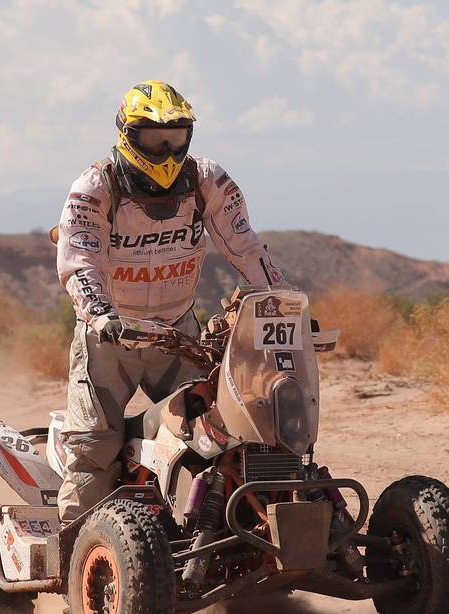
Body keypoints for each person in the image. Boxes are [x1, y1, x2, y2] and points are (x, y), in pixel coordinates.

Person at [55, 80, 286, 520]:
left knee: (218, 435)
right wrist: (100, 314)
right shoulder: (95, 187)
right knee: (93, 453)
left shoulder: (207, 180)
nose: (164, 150)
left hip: (178, 335)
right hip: (110, 340)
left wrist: (281, 300)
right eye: (152, 138)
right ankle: (77, 562)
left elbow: (246, 247)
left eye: (174, 138)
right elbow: (79, 259)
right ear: (127, 134)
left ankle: (214, 542)